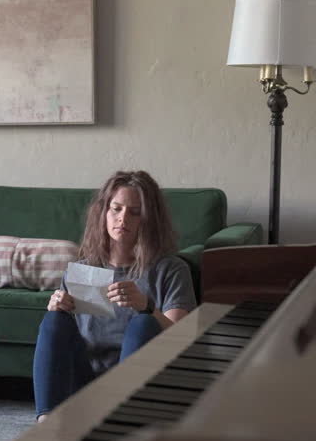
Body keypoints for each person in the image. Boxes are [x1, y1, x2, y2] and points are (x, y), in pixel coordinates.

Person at [33, 170, 197, 423]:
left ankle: (121, 421)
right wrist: (58, 307)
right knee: (53, 320)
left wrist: (147, 307)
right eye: (116, 209)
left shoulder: (171, 269)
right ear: (103, 212)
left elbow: (182, 338)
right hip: (86, 383)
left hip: (141, 387)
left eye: (135, 212)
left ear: (149, 218)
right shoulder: (83, 269)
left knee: (143, 322)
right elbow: (65, 341)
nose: (123, 219)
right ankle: (46, 423)